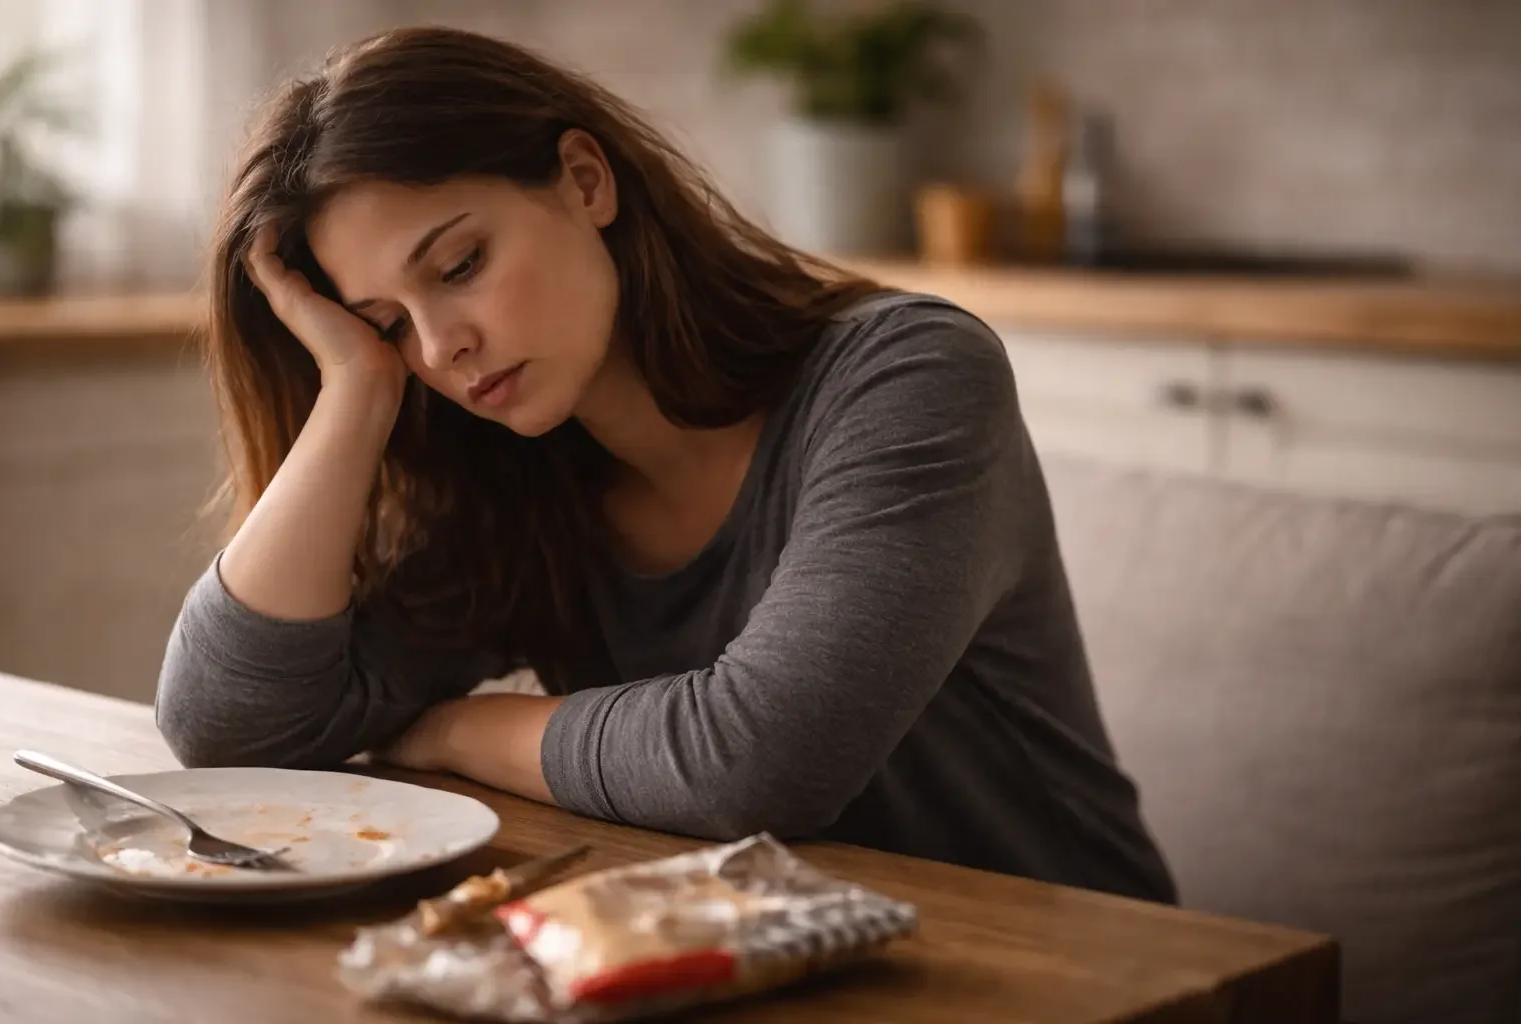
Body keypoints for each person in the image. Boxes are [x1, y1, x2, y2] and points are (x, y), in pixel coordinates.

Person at [156, 25, 1176, 904]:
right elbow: (229, 728)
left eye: (461, 265)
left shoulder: (909, 377)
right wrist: (355, 392)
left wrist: (456, 732)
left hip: (1082, 965)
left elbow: (759, 760)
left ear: (586, 182)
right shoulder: (520, 474)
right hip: (771, 971)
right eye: (388, 324)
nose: (440, 348)